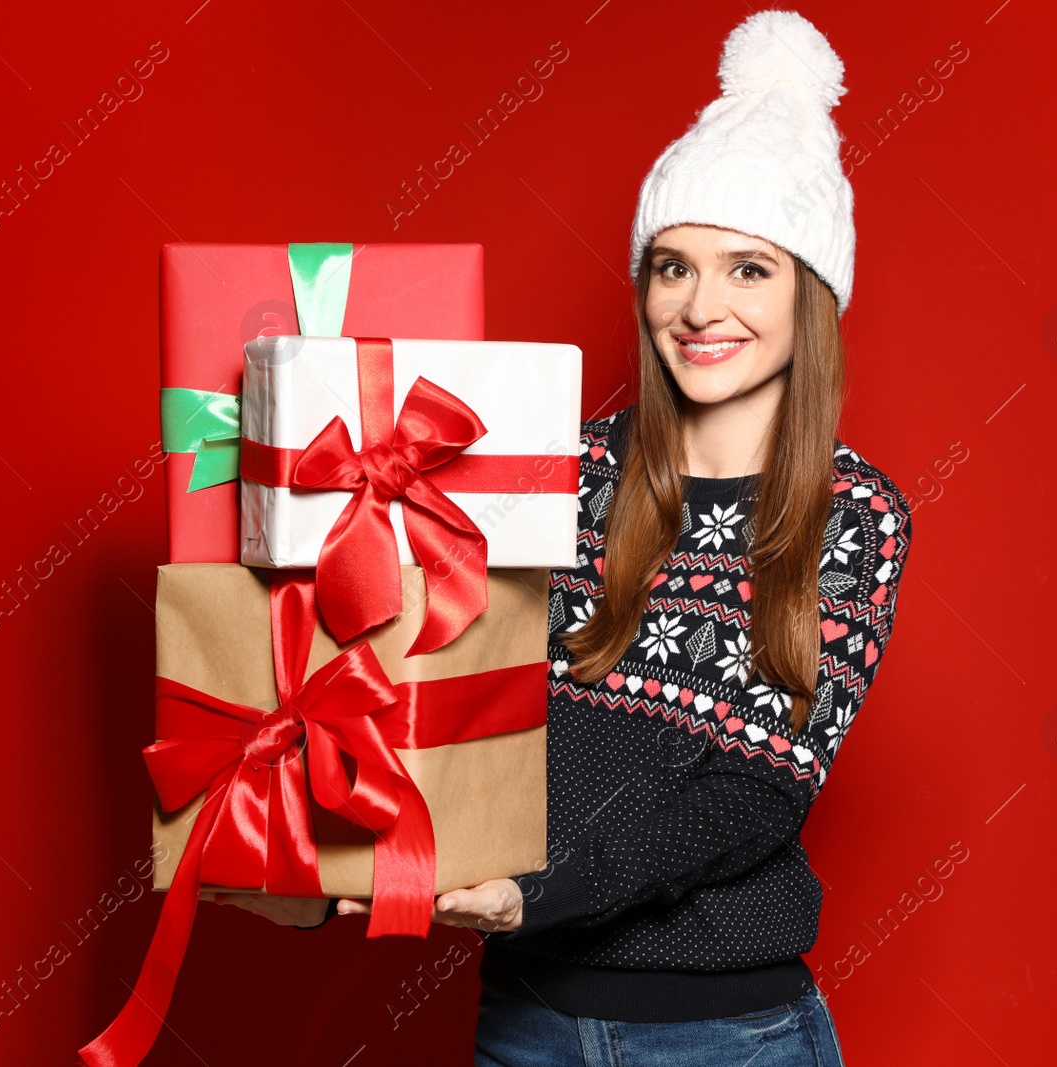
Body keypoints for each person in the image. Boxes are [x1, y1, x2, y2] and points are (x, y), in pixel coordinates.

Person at [215, 10, 911, 1065]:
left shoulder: (854, 511)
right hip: (529, 1022)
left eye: (748, 269)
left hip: (727, 1034)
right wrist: (314, 861)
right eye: (671, 266)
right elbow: (441, 678)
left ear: (811, 294)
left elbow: (749, 788)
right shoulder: (558, 469)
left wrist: (532, 884)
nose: (699, 304)